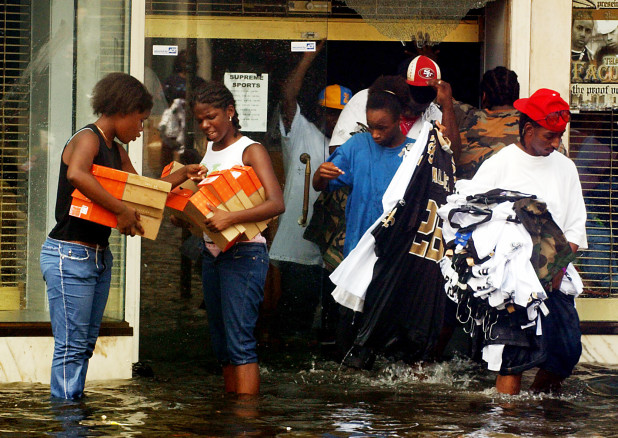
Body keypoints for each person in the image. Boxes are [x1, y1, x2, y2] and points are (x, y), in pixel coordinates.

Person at [40, 72, 204, 400]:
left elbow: (142, 191)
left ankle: (72, 413)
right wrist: (121, 211)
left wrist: (182, 175)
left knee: (83, 346)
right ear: (123, 110)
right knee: (71, 349)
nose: (142, 129)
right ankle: (67, 419)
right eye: (141, 120)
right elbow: (77, 174)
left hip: (97, 257)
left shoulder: (116, 149)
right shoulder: (88, 138)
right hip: (69, 255)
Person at [468, 88, 587, 395]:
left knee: (566, 352)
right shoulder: (499, 164)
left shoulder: (566, 168)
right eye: (550, 136)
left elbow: (574, 228)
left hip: (556, 276)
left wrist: (553, 272)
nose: (556, 143)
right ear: (529, 129)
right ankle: (507, 422)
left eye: (560, 135)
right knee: (513, 357)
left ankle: (539, 407)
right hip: (511, 281)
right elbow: (471, 218)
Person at [191, 81, 285, 396]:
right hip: (212, 254)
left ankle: (246, 422)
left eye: (212, 117)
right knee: (222, 345)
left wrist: (229, 217)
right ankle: (232, 415)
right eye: (200, 120)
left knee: (240, 343)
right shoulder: (208, 151)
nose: (206, 125)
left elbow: (276, 202)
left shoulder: (251, 149)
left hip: (244, 255)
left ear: (230, 111)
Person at [268, 41, 352, 343]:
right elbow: (288, 97)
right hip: (298, 245)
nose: (335, 119)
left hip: (336, 252)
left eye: (341, 113)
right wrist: (307, 59)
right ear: (318, 111)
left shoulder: (355, 144)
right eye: (329, 112)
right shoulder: (303, 132)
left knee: (332, 331)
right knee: (294, 328)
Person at [328, 55, 461, 161]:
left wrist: (447, 106)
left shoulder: (434, 113)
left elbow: (452, 160)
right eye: (408, 105)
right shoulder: (366, 100)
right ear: (397, 85)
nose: (413, 112)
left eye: (419, 110)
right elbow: (336, 152)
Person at [455, 66, 521, 180]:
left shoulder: (466, 118)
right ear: (517, 95)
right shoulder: (532, 126)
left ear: (484, 96)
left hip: (469, 196)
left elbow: (440, 98)